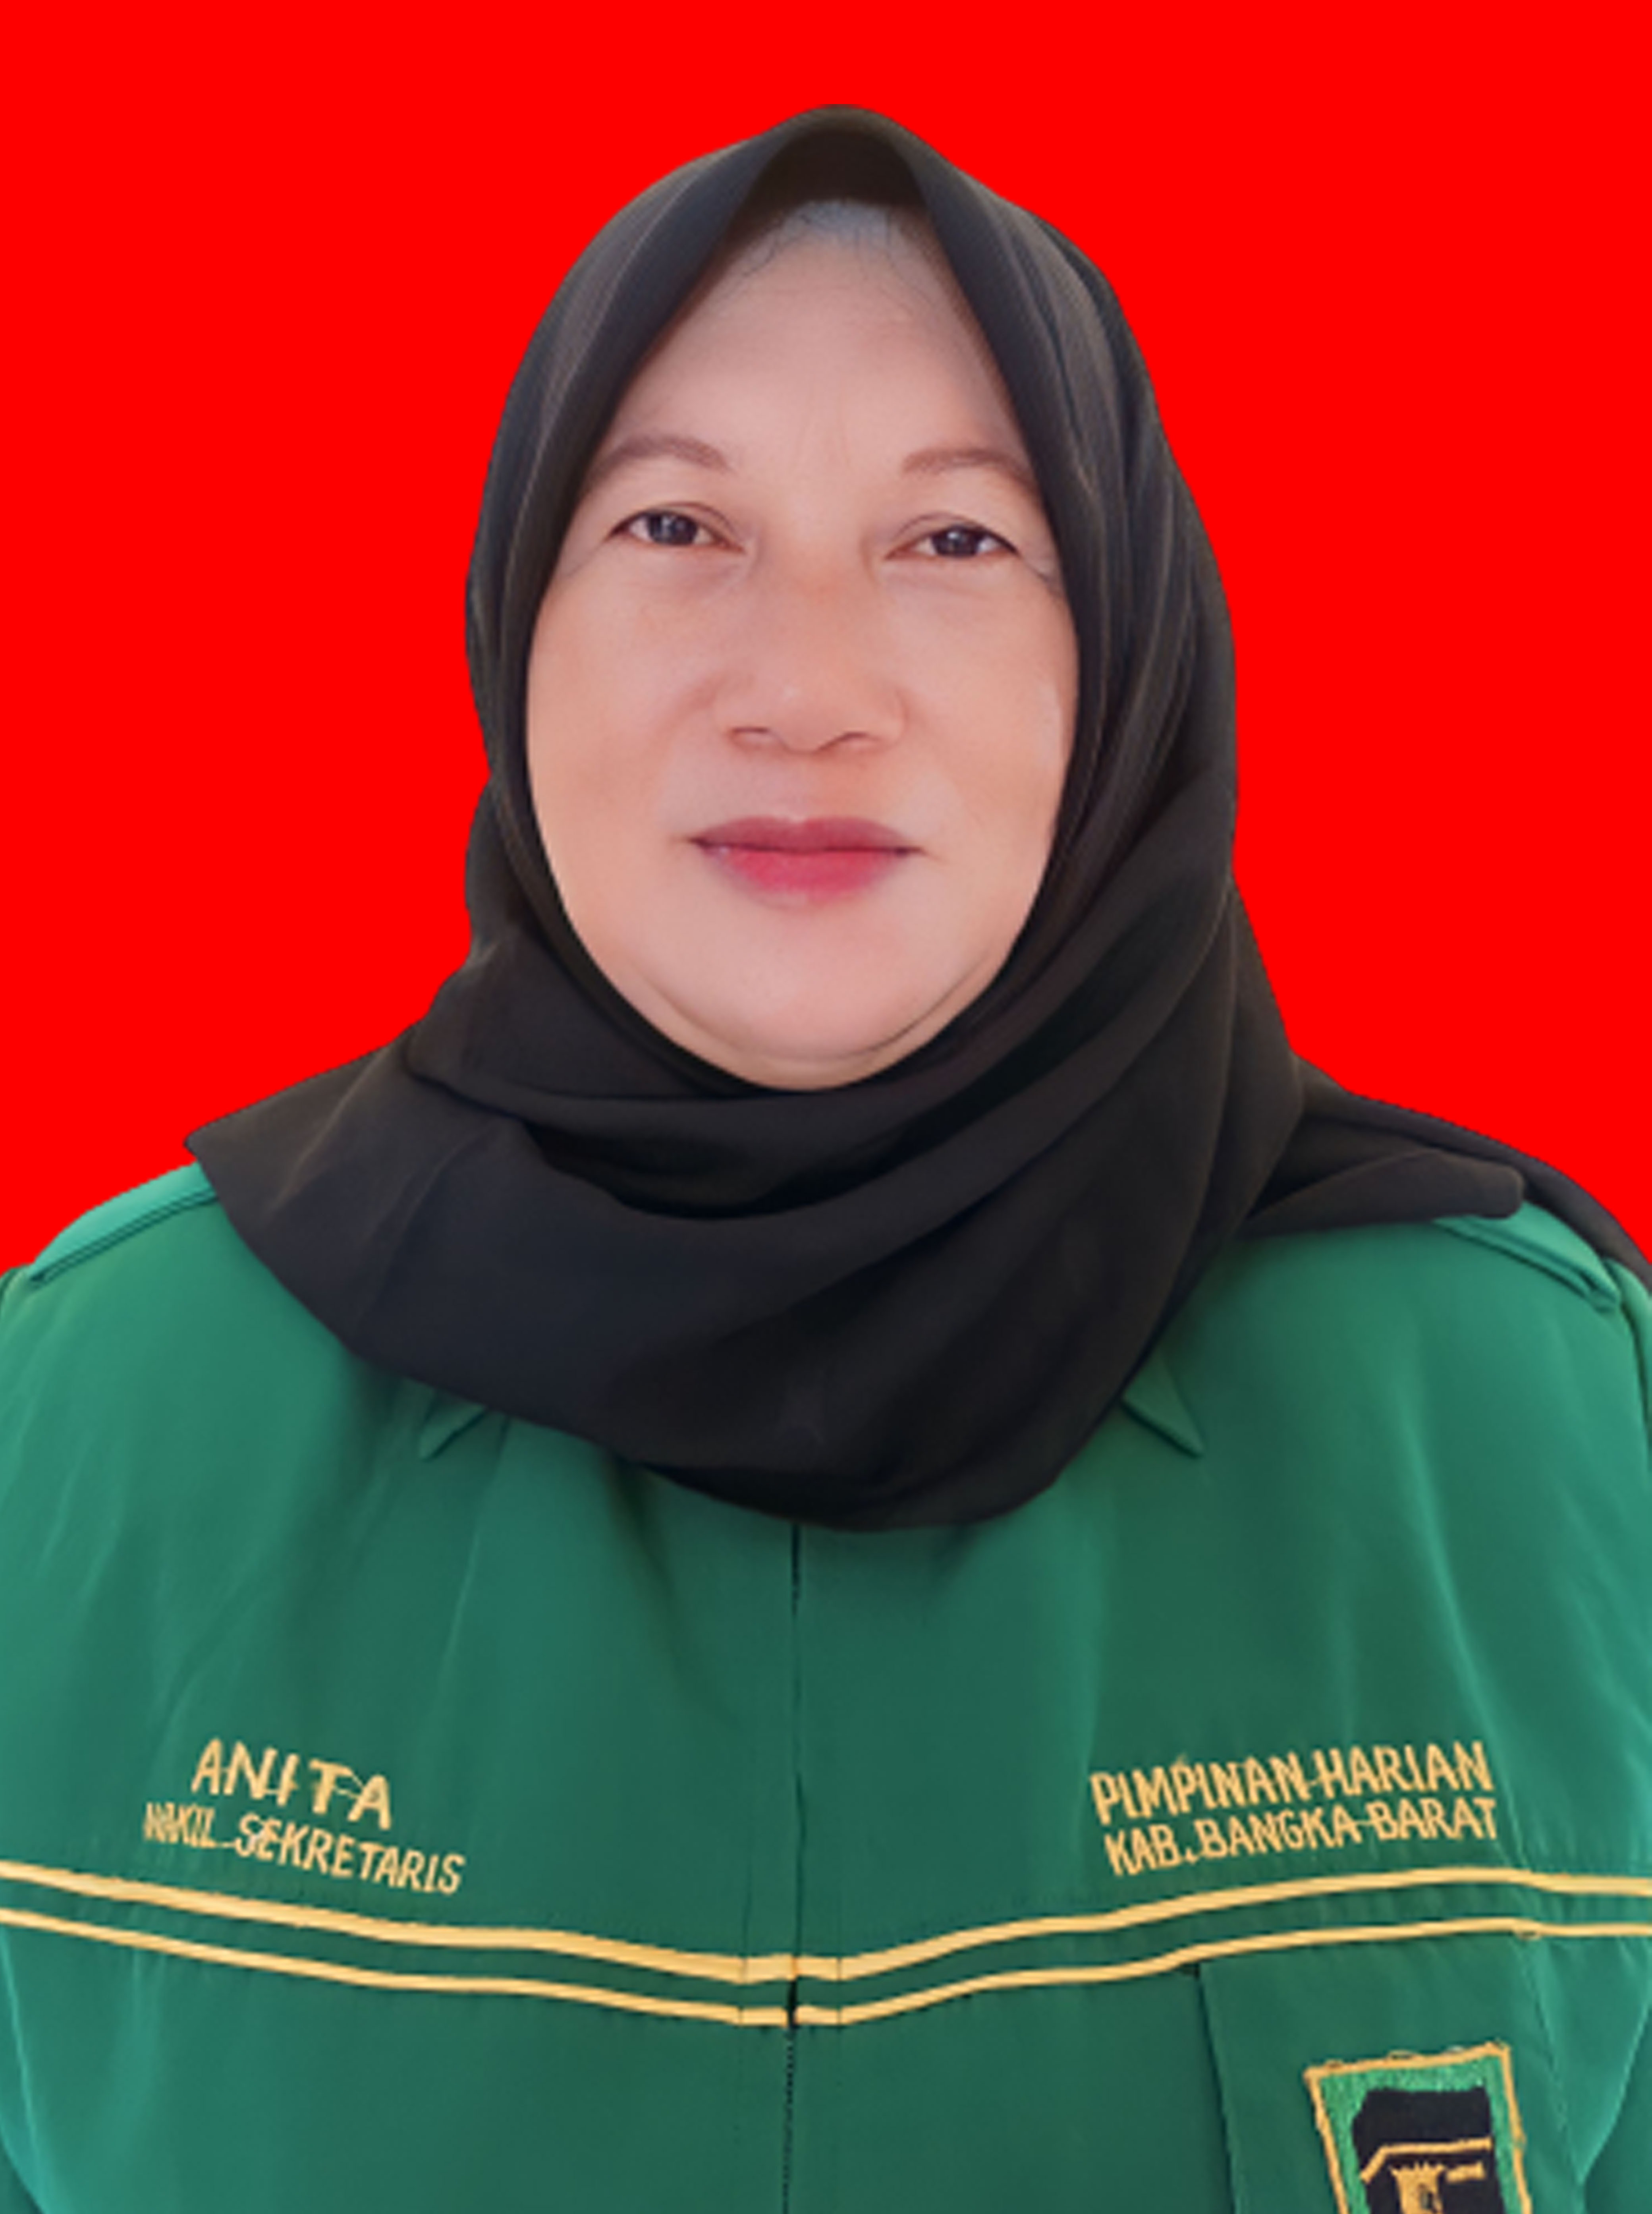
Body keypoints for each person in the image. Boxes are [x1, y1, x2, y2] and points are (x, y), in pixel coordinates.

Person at [0, 107, 1646, 2212]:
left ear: (1129, 652)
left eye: (955, 541)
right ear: (516, 617)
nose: (804, 691)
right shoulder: (81, 1427)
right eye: (676, 525)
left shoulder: (1546, 1421)